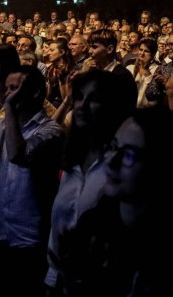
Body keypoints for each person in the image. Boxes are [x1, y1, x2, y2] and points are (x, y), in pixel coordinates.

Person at [55, 107, 173, 296]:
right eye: (114, 147)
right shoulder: (92, 229)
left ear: (163, 167)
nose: (111, 161)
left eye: (129, 155)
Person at [45, 69, 136, 293]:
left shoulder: (119, 165)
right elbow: (59, 229)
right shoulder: (73, 161)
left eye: (93, 99)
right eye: (79, 97)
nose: (81, 106)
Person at [0, 65, 64, 293]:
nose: (7, 94)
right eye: (7, 89)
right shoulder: (4, 125)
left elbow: (19, 154)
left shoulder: (51, 130)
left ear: (35, 93)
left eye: (14, 89)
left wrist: (9, 109)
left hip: (29, 237)